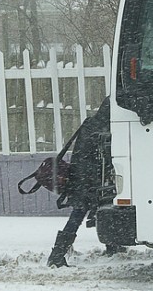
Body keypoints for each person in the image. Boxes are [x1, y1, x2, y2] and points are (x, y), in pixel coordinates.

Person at [47, 96, 125, 268]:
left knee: (87, 213)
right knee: (80, 214)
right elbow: (101, 156)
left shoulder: (90, 124)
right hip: (91, 180)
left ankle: (111, 247)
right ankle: (56, 255)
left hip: (82, 178)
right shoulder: (105, 129)